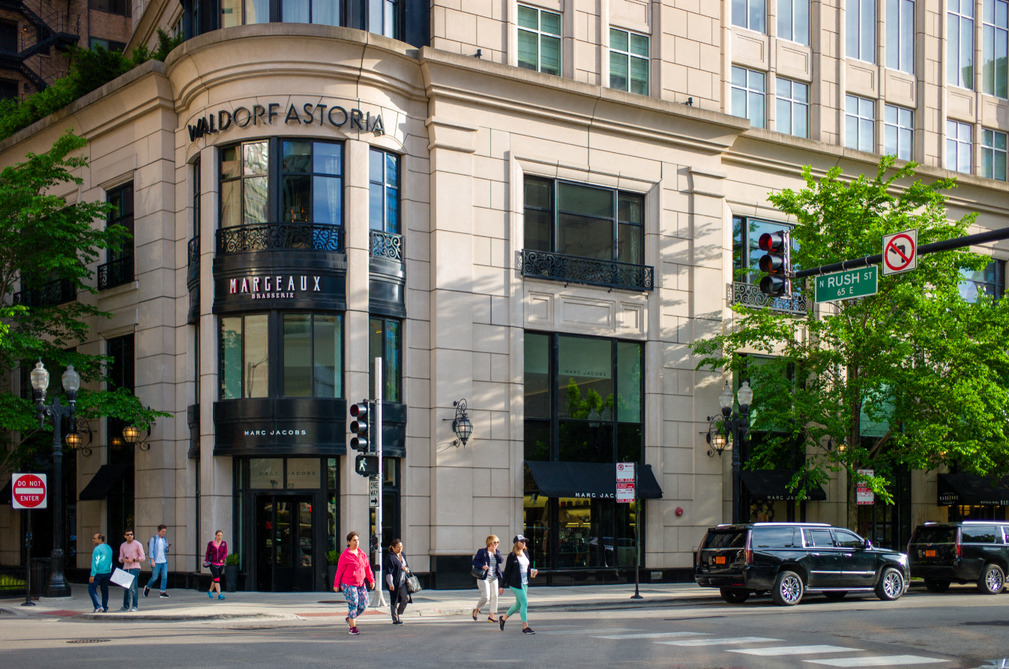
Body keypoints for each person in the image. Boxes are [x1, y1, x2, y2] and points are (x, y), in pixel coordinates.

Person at [334, 531, 375, 635]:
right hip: (348, 584)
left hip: (361, 584)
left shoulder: (362, 554)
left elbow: (367, 568)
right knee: (354, 603)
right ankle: (353, 627)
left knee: (364, 604)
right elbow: (339, 571)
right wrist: (336, 584)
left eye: (357, 540)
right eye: (354, 540)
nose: (356, 542)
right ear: (348, 542)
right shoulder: (345, 555)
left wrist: (371, 580)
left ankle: (350, 618)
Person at [498, 533, 537, 634]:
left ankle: (503, 618)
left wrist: (533, 571)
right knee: (524, 603)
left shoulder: (525, 553)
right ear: (516, 543)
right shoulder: (512, 556)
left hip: (524, 582)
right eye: (522, 541)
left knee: (518, 605)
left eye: (525, 541)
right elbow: (506, 571)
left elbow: (526, 567)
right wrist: (501, 586)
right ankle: (525, 627)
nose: (524, 543)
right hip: (515, 583)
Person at [472, 534, 503, 622]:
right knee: (486, 597)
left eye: (497, 542)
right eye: (494, 542)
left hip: (494, 577)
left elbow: (501, 561)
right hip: (484, 577)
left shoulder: (497, 552)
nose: (496, 544)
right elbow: (474, 562)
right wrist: (482, 566)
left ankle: (491, 615)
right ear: (490, 542)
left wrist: (495, 553)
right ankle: (477, 609)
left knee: (495, 596)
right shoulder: (482, 552)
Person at [383, 538, 411, 625]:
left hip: (403, 581)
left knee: (406, 598)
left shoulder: (402, 555)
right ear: (393, 548)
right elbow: (389, 572)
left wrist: (405, 569)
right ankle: (395, 618)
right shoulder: (390, 557)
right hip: (394, 582)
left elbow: (407, 568)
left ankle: (399, 612)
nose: (400, 549)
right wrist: (390, 583)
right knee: (394, 600)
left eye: (401, 547)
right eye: (398, 547)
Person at [118, 529, 145, 612]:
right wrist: (123, 560)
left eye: (131, 534)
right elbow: (120, 557)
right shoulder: (123, 545)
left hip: (134, 568)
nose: (130, 536)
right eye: (128, 534)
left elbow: (142, 557)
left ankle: (134, 606)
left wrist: (133, 560)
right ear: (125, 536)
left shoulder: (137, 544)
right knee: (126, 588)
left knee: (133, 588)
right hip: (126, 568)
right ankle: (125, 606)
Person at [88, 532, 113, 613]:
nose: (93, 540)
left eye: (94, 538)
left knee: (91, 588)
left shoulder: (97, 549)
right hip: (107, 572)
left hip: (98, 572)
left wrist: (92, 574)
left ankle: (98, 606)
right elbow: (110, 560)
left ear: (100, 539)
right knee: (104, 590)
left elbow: (95, 562)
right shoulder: (108, 547)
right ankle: (105, 607)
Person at [144, 524, 171, 598]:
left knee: (164, 576)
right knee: (155, 577)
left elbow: (165, 550)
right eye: (162, 531)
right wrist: (152, 560)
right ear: (158, 531)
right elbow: (151, 550)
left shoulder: (165, 539)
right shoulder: (153, 539)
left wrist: (168, 548)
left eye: (165, 532)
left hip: (163, 561)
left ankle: (162, 592)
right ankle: (147, 587)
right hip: (156, 561)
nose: (164, 533)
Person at [205, 530, 228, 600]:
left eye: (221, 535)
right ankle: (219, 594)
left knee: (215, 578)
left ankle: (209, 591)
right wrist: (207, 560)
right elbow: (207, 553)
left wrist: (222, 559)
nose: (220, 537)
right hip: (213, 563)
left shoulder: (224, 543)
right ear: (215, 535)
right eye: (218, 535)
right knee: (217, 578)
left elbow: (225, 552)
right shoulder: (211, 544)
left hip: (221, 564)